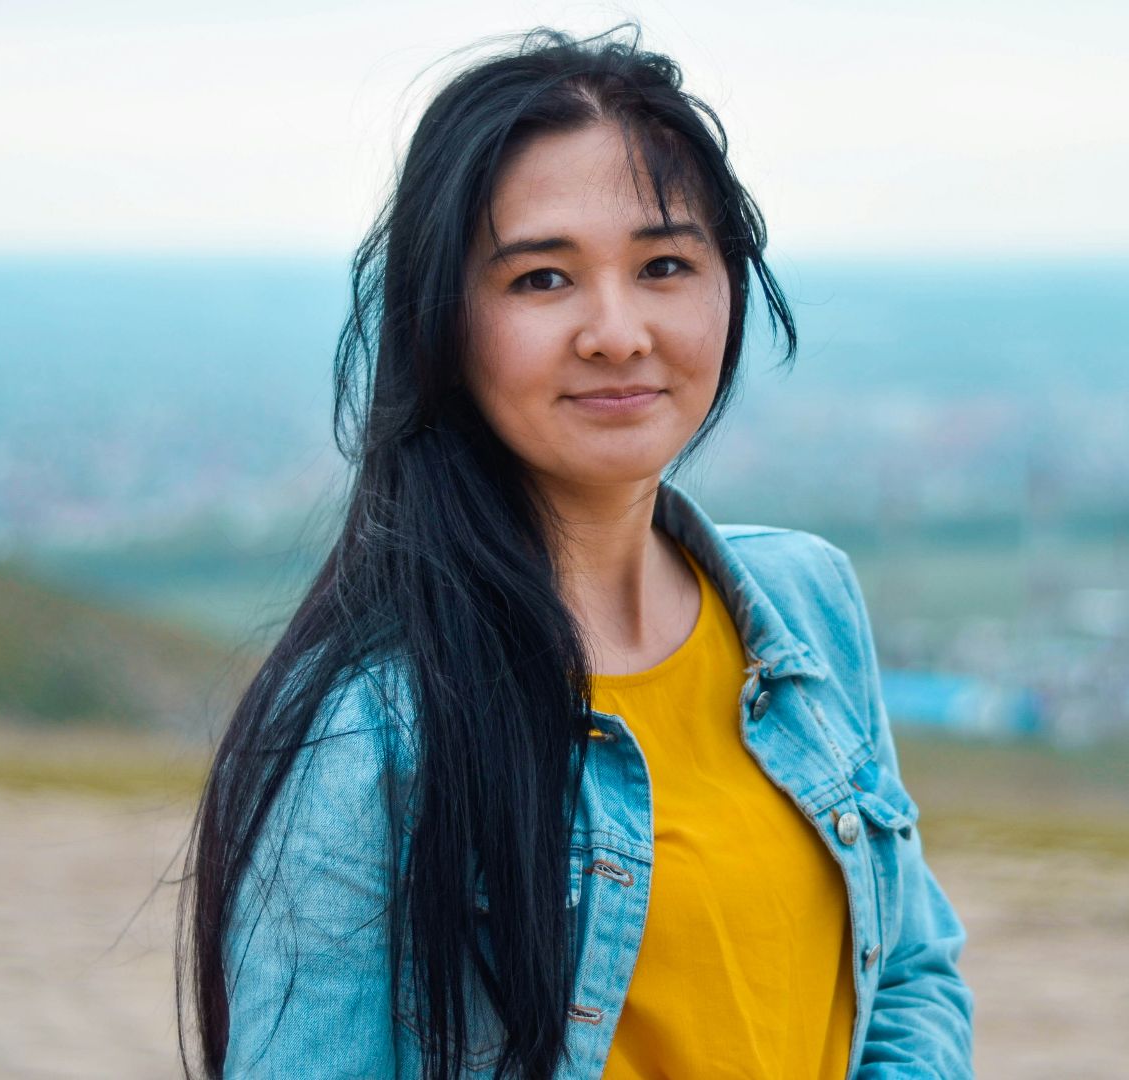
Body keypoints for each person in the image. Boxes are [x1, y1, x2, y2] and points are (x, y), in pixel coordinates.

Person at [179, 23, 974, 1080]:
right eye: (542, 280)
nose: (617, 330)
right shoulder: (365, 734)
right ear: (443, 323)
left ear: (728, 287)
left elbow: (909, 970)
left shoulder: (806, 602)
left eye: (664, 265)